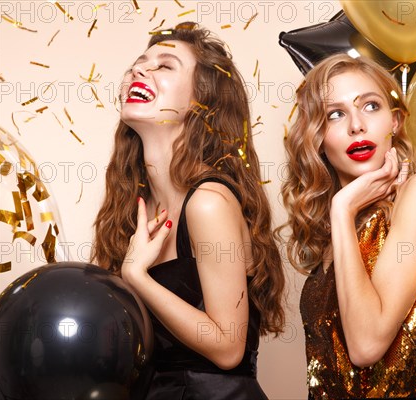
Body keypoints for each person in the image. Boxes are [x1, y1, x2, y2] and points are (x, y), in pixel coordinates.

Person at [91, 22, 284, 400]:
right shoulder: (133, 211)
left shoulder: (209, 202)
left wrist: (137, 276)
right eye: (138, 63)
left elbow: (230, 348)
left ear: (202, 100)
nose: (139, 70)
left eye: (165, 65)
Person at [278, 54, 416, 400]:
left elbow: (366, 345)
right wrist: (343, 213)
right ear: (317, 139)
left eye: (371, 106)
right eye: (335, 114)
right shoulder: (335, 232)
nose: (356, 125)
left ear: (396, 122)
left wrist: (341, 209)